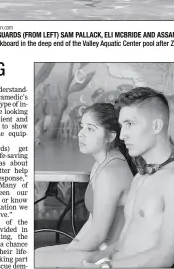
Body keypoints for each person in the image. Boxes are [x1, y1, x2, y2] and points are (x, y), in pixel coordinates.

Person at [84, 87, 174, 268]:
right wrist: (99, 257)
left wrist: (107, 267)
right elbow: (127, 242)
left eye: (130, 124)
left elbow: (164, 257)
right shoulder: (141, 176)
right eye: (122, 126)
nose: (122, 135)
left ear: (156, 126)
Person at [34, 103, 135, 268]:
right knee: (36, 256)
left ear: (110, 136)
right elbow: (93, 220)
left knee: (36, 261)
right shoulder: (101, 164)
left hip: (111, 256)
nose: (80, 134)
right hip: (100, 248)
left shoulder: (111, 172)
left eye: (90, 129)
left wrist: (66, 259)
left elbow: (98, 234)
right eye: (82, 127)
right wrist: (71, 248)